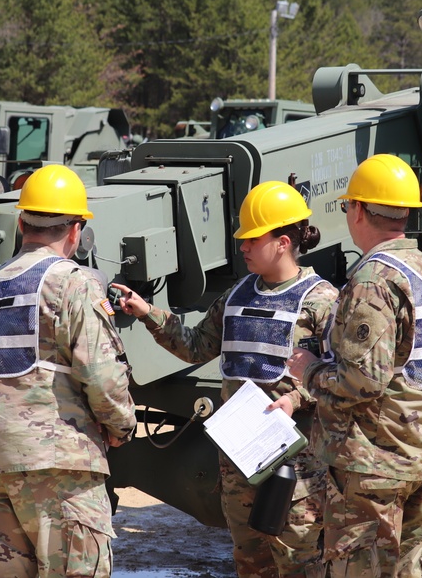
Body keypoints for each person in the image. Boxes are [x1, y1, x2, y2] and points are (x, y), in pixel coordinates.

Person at [113, 180, 338, 578]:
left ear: (283, 242)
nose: (243, 247)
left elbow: (340, 376)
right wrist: (147, 312)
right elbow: (196, 346)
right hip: (239, 459)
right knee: (249, 562)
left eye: (252, 239)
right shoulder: (238, 295)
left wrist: (296, 399)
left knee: (299, 562)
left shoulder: (321, 300)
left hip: (296, 463)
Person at [287, 154, 422, 578]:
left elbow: (362, 380)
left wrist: (308, 369)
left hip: (371, 468)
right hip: (421, 457)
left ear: (359, 209)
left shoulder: (374, 281)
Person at [0, 164, 136, 578]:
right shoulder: (74, 283)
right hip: (58, 465)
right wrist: (121, 425)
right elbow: (102, 375)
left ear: (22, 223)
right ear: (76, 231)